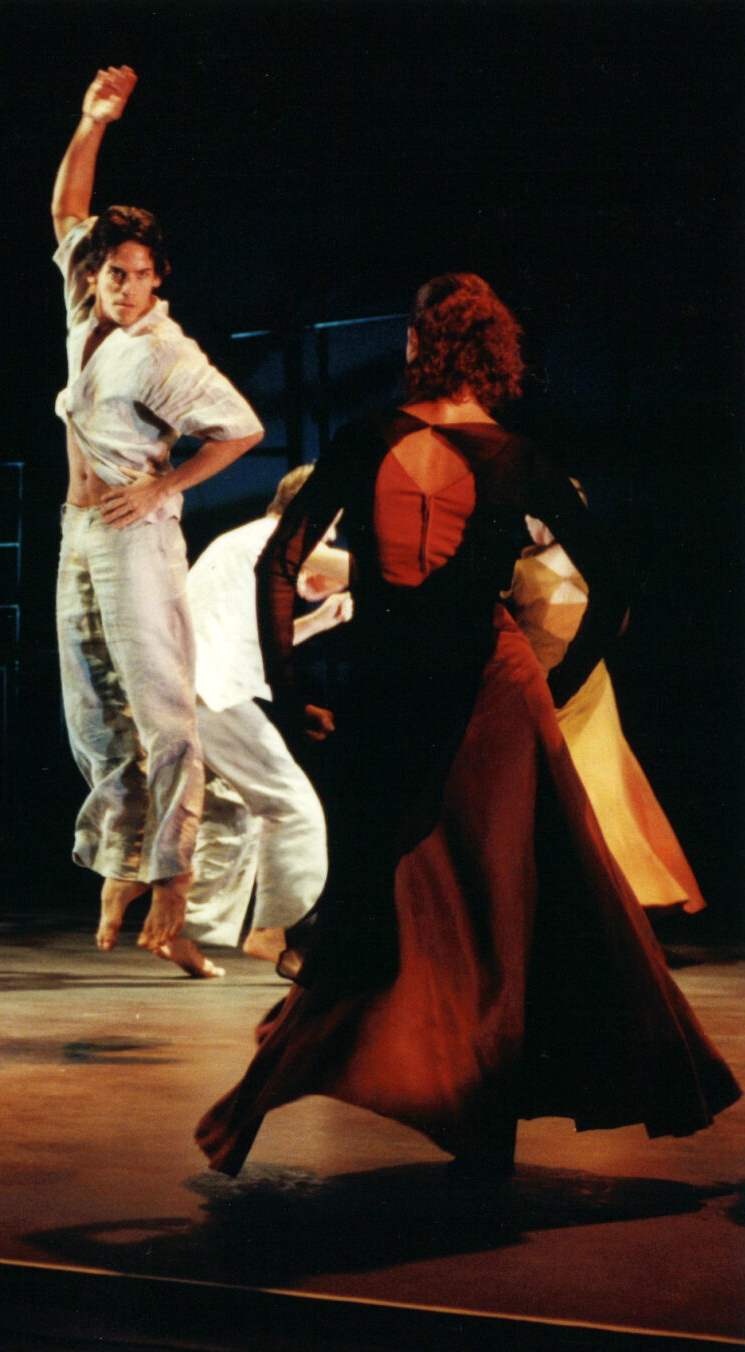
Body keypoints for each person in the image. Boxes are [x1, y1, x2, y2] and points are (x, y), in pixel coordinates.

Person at [196, 275, 738, 1177]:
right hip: (493, 691)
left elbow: (279, 564)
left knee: (401, 903)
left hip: (395, 690)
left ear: (418, 344)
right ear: (494, 353)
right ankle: (479, 1115)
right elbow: (613, 584)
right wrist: (552, 686)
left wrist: (291, 693)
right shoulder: (518, 456)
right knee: (499, 907)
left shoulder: (366, 438)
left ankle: (443, 1101)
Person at [49, 68, 266, 974]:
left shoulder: (166, 352)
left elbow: (242, 428)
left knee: (163, 714)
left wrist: (164, 483)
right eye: (114, 272)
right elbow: (68, 210)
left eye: (141, 275)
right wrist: (92, 121)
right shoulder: (86, 311)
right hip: (80, 533)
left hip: (136, 537)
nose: (125, 286)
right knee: (93, 712)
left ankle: (172, 880)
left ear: (158, 279)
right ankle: (120, 862)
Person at [183, 466, 351, 964]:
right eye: (331, 526)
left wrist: (318, 619)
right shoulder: (274, 536)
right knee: (292, 807)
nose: (331, 537)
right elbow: (371, 567)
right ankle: (274, 932)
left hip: (196, 689)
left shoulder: (247, 544)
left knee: (235, 812)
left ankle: (184, 930)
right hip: (211, 693)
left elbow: (257, 639)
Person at [507, 519, 703, 913]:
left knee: (589, 781)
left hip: (563, 679)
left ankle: (608, 887)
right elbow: (619, 621)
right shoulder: (560, 563)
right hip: (567, 675)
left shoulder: (529, 568)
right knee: (594, 782)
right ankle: (610, 887)